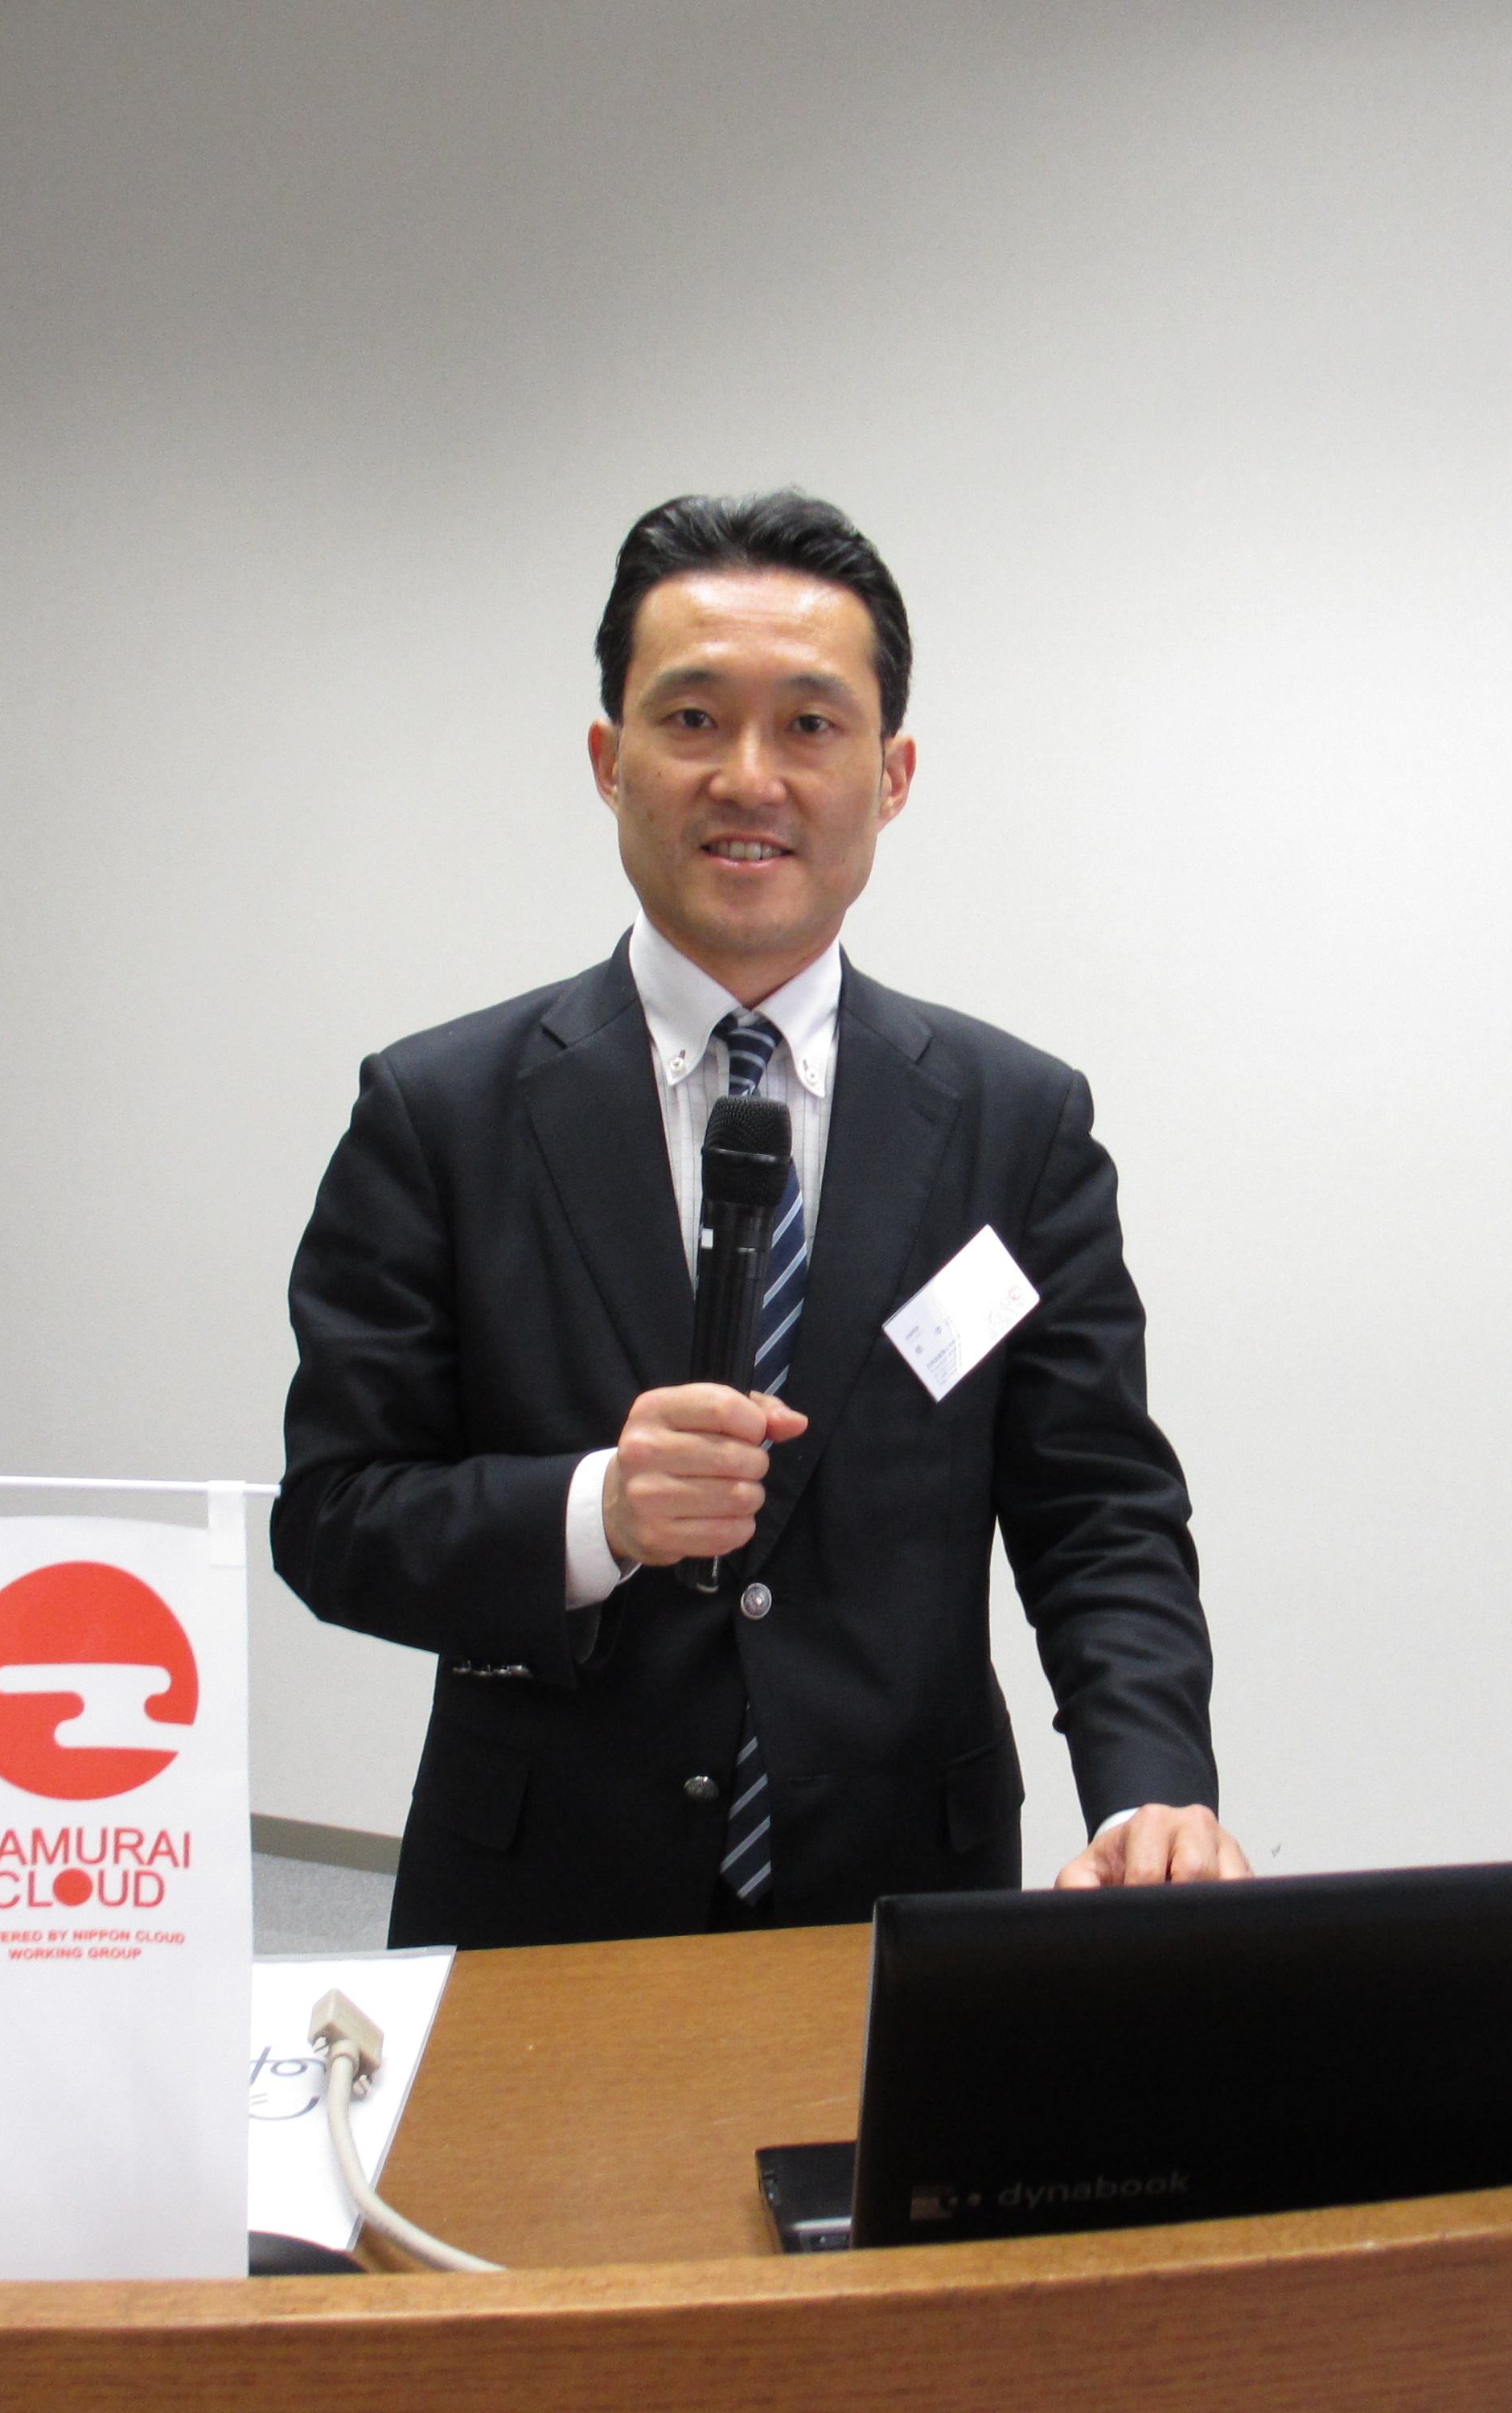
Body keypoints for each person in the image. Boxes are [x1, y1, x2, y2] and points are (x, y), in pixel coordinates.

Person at [273, 491, 1247, 1947]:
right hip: (542, 1897)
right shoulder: (440, 1112)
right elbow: (337, 1517)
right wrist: (597, 1512)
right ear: (607, 761)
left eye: (808, 725)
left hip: (904, 1891)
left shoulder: (1016, 1123)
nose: (749, 777)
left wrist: (1148, 1789)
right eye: (691, 720)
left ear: (892, 774)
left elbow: (1097, 1510)